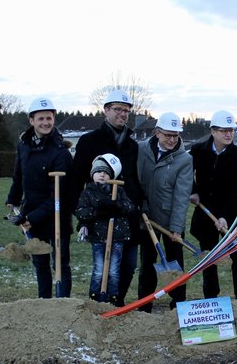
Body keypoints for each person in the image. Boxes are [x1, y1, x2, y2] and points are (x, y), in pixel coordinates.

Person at [68, 89, 143, 306]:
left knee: (128, 266)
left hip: (126, 216)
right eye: (118, 109)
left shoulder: (132, 145)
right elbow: (75, 182)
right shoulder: (89, 141)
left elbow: (134, 180)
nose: (122, 114)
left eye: (126, 111)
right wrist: (85, 216)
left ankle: (116, 303)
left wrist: (136, 206)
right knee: (103, 266)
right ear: (106, 110)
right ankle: (98, 306)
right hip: (100, 219)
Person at [6, 97, 73, 298]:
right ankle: (44, 303)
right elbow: (18, 175)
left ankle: (63, 304)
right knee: (40, 261)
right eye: (41, 118)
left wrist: (31, 218)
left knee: (61, 262)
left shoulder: (61, 152)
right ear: (31, 120)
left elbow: (58, 195)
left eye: (49, 118)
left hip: (56, 215)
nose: (45, 122)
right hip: (32, 212)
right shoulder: (24, 146)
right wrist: (13, 199)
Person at [189, 110, 237, 299]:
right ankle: (211, 298)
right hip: (205, 213)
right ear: (213, 131)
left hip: (231, 216)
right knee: (209, 259)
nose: (229, 134)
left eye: (231, 130)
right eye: (224, 130)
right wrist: (193, 191)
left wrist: (225, 215)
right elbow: (185, 173)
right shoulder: (198, 151)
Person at [137, 112, 193, 311]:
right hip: (146, 218)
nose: (171, 139)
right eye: (167, 135)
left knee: (175, 265)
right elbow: (136, 181)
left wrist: (177, 227)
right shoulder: (141, 150)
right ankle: (144, 305)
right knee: (147, 264)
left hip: (170, 220)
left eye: (175, 135)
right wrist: (140, 206)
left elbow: (182, 195)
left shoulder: (184, 160)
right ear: (157, 132)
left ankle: (178, 306)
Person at [75, 154, 135, 304]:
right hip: (98, 237)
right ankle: (95, 297)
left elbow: (130, 207)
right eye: (99, 171)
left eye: (106, 172)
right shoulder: (87, 192)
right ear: (92, 174)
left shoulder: (118, 191)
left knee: (114, 271)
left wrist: (119, 206)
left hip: (117, 237)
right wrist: (97, 212)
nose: (102, 175)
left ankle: (113, 297)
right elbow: (81, 212)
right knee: (99, 270)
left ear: (112, 175)